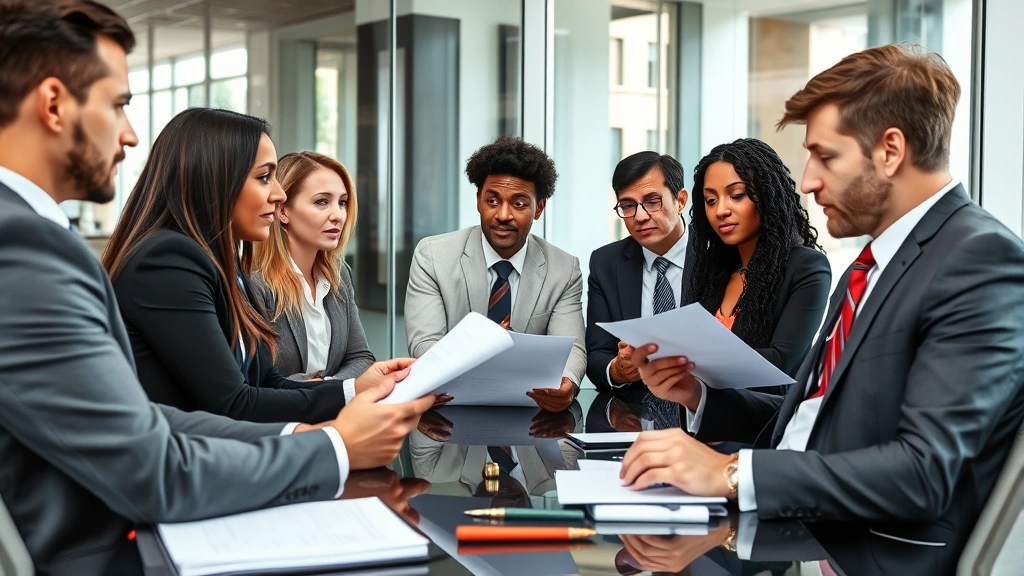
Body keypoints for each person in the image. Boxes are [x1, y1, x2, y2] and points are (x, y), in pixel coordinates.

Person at [0, 2, 433, 573]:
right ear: (54, 104)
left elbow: (149, 421)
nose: (131, 137)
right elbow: (154, 466)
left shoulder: (36, 237)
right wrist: (332, 447)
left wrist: (318, 429)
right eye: (119, 105)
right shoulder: (24, 246)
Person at [619, 44, 1024, 572]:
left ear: (891, 150)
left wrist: (733, 473)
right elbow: (811, 417)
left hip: (863, 551)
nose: (808, 180)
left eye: (825, 156)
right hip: (799, 531)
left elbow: (924, 473)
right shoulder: (875, 263)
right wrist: (697, 396)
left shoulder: (979, 259)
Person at [104, 108, 412, 424]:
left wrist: (357, 389)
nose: (278, 194)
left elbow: (266, 381)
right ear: (215, 178)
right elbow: (235, 404)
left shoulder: (226, 267)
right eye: (265, 177)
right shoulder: (168, 261)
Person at [405, 135, 586, 412]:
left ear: (539, 207)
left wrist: (569, 383)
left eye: (519, 203)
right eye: (492, 200)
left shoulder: (564, 269)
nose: (503, 215)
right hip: (450, 414)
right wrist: (484, 347)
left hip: (530, 416)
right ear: (478, 200)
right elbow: (424, 344)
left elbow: (572, 348)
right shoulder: (433, 256)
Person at [686, 138, 830, 393]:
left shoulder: (807, 268)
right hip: (702, 422)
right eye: (710, 200)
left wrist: (685, 361)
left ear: (767, 197)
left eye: (737, 195)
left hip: (767, 426)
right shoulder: (709, 270)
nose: (721, 210)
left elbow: (780, 363)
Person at [247, 151, 376, 381]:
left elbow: (361, 358)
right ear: (283, 211)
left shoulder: (339, 273)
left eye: (342, 202)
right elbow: (257, 380)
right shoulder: (254, 281)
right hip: (282, 416)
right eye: (321, 202)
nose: (338, 215)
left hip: (335, 412)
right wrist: (324, 393)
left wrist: (328, 388)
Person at [585, 152, 693, 395]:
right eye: (628, 205)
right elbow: (597, 355)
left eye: (653, 201)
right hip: (634, 411)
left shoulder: (717, 256)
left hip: (707, 405)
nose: (640, 216)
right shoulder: (606, 263)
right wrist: (617, 370)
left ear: (681, 200)